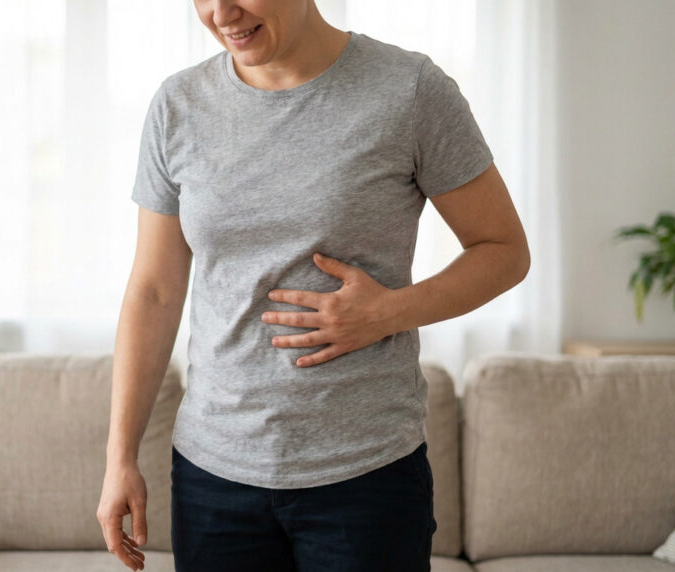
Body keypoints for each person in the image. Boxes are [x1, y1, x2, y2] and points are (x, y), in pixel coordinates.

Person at [97, 0, 530, 570]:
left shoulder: (409, 90)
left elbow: (503, 251)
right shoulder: (178, 104)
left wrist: (388, 312)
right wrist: (120, 457)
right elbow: (154, 290)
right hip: (213, 480)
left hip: (366, 476)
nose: (221, 13)